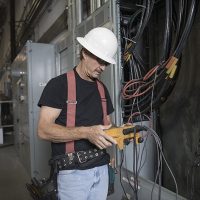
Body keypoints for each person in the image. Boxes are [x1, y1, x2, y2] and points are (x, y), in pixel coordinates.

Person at [37, 27, 118, 200]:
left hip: (102, 169)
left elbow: (106, 126)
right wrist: (86, 133)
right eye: (99, 60)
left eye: (106, 63)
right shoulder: (58, 85)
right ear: (84, 53)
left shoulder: (102, 89)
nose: (102, 67)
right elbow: (43, 130)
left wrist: (119, 135)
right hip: (73, 175)